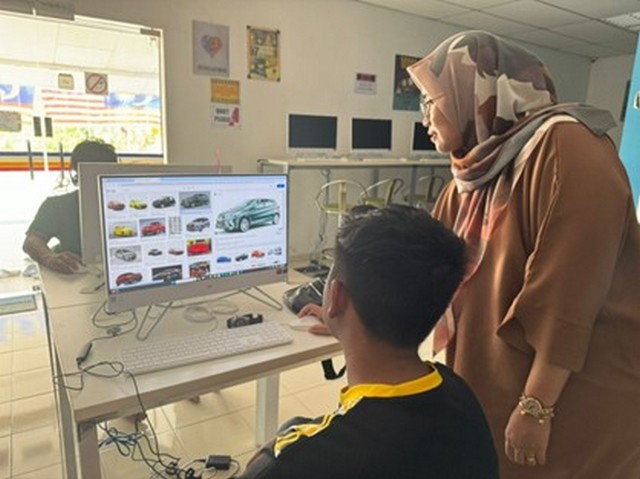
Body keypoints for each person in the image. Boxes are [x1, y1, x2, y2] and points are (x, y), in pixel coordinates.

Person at [406, 30, 640, 479]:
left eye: (430, 100)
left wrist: (537, 407)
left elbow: (571, 295)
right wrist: (356, 306)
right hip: (499, 381)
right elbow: (427, 265)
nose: (424, 119)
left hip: (571, 397)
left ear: (476, 90)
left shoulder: (568, 147)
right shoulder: (473, 176)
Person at [236, 204, 498, 479]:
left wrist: (270, 458)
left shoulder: (289, 466)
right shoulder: (459, 393)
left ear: (336, 296)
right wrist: (348, 322)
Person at [23, 140, 118, 274]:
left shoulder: (121, 204)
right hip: (77, 273)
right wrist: (49, 258)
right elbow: (31, 240)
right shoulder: (58, 205)